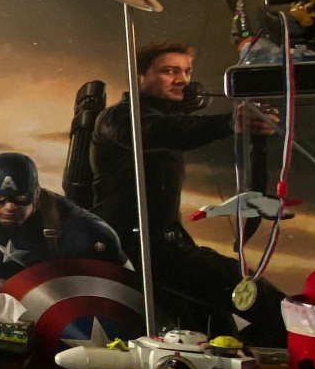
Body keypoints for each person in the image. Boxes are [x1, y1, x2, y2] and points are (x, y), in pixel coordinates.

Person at [90, 39, 284, 342]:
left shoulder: (167, 119)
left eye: (187, 71)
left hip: (166, 244)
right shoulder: (117, 118)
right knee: (261, 299)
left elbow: (176, 127)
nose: (182, 80)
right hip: (136, 250)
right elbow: (164, 131)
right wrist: (231, 123)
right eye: (169, 71)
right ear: (139, 76)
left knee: (217, 328)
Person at [0, 151, 126, 285]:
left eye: (20, 198)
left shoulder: (82, 232)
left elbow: (120, 290)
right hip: (9, 303)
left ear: (36, 194)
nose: (9, 207)